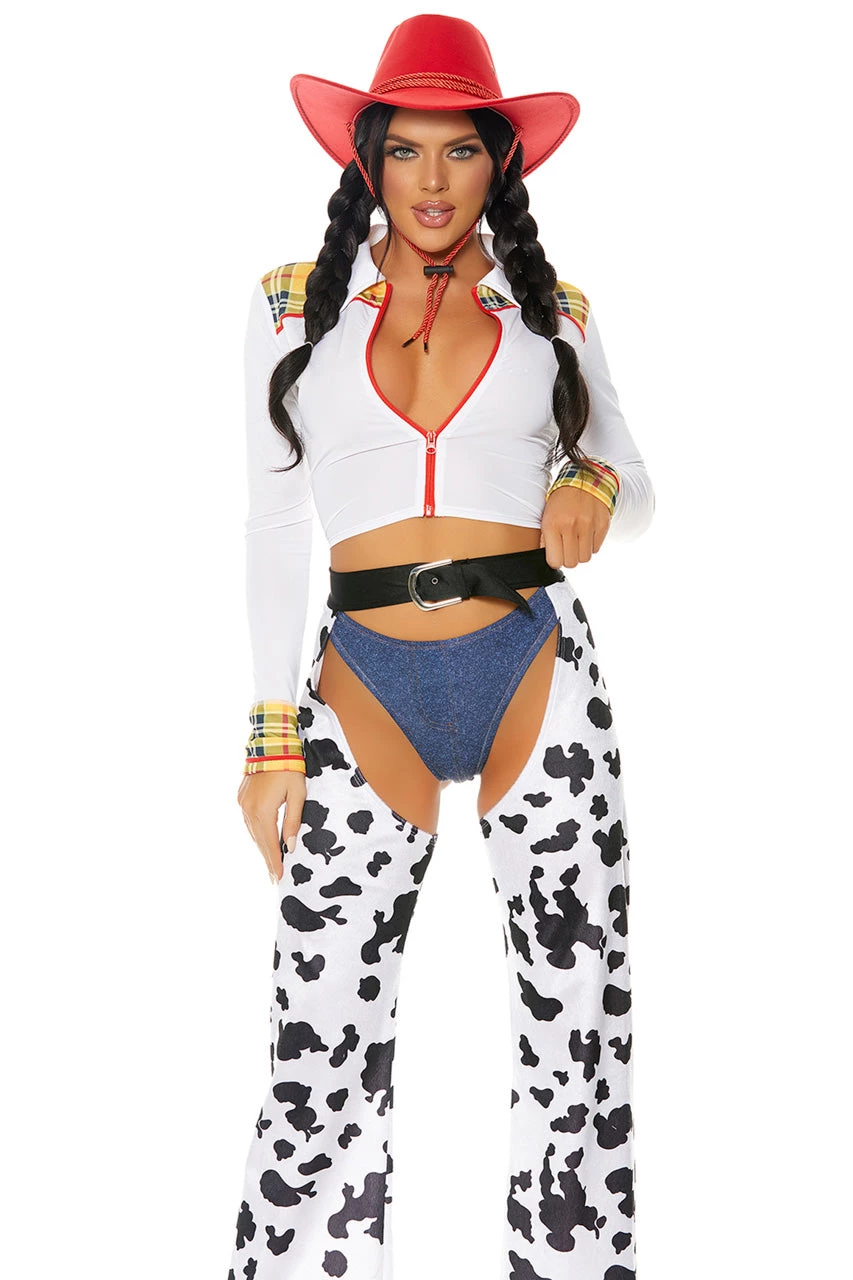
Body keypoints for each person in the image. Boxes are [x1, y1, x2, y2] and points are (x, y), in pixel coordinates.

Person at [228, 14, 654, 1279]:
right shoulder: (286, 304)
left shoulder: (551, 309)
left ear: (498, 161)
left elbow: (636, 482)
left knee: (575, 1029)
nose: (430, 180)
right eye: (404, 149)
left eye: (459, 150)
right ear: (365, 157)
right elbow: (271, 519)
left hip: (535, 668)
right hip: (361, 682)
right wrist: (268, 733)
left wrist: (587, 481)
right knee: (318, 1037)